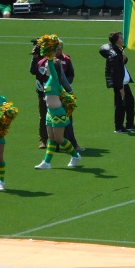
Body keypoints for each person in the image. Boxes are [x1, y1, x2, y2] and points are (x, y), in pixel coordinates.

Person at [35, 36, 82, 169]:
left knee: (59, 139)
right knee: (51, 138)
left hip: (58, 113)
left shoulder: (54, 78)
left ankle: (75, 156)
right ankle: (47, 162)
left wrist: (50, 51)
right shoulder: (49, 79)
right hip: (50, 112)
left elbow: (50, 62)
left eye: (46, 66)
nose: (45, 67)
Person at [99, 31, 135, 131]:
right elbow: (115, 73)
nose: (123, 39)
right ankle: (119, 127)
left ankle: (130, 124)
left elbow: (122, 64)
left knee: (130, 103)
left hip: (124, 83)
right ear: (116, 41)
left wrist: (124, 57)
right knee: (120, 105)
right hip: (120, 85)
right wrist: (120, 88)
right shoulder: (114, 55)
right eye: (121, 38)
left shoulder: (118, 51)